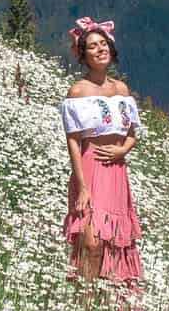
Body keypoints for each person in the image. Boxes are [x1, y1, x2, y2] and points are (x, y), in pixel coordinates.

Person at [61, 16, 143, 289]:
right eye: (93, 46)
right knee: (91, 239)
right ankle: (82, 300)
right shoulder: (78, 91)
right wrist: (82, 186)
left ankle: (110, 303)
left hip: (116, 170)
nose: (100, 49)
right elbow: (73, 140)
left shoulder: (120, 89)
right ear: (83, 55)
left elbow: (131, 133)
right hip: (91, 166)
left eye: (104, 43)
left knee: (115, 239)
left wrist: (122, 150)